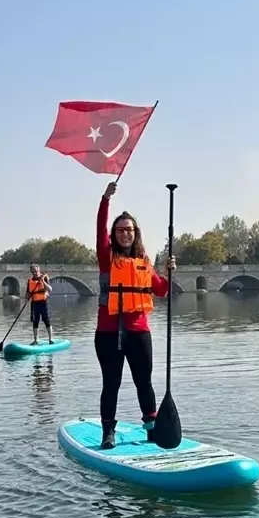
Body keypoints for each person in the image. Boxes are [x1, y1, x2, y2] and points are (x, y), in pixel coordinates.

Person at [96, 181, 176, 450]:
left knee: (144, 382)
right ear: (114, 234)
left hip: (139, 332)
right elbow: (100, 230)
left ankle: (151, 429)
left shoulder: (144, 262)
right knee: (112, 383)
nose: (124, 234)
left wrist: (168, 271)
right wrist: (106, 200)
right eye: (119, 230)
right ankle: (108, 432)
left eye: (129, 230)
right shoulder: (107, 257)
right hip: (108, 333)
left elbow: (162, 290)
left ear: (135, 233)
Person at [26, 264, 54, 344]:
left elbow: (50, 289)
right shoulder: (30, 281)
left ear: (39, 271)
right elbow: (27, 293)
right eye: (32, 272)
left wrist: (42, 281)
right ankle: (36, 340)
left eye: (35, 271)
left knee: (46, 320)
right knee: (35, 321)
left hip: (43, 302)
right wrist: (27, 298)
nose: (34, 273)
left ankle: (50, 339)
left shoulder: (44, 278)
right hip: (34, 303)